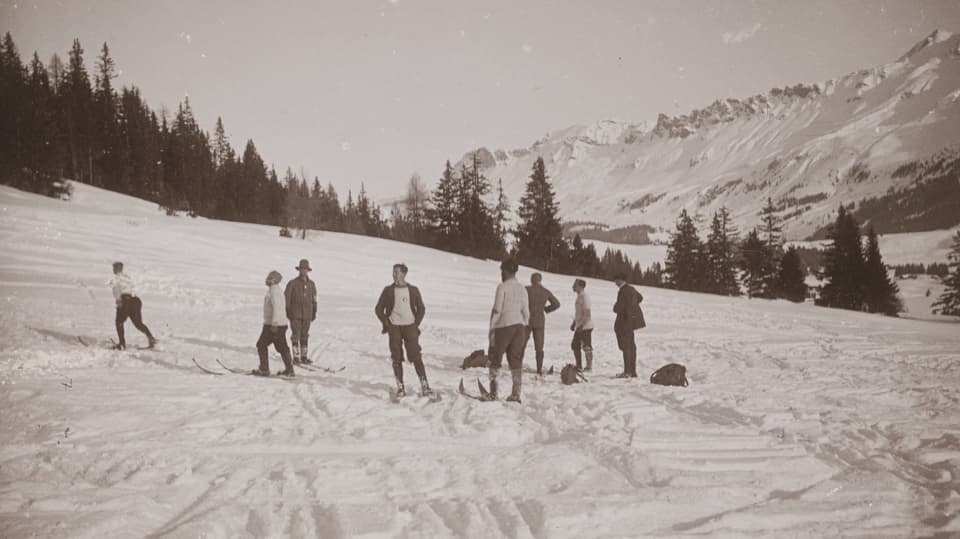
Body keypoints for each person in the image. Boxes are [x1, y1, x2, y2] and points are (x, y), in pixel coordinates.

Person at [374, 263, 432, 397]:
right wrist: (386, 322)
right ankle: (400, 388)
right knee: (396, 357)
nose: (394, 275)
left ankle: (425, 385)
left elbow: (421, 308)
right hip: (394, 327)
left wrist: (415, 324)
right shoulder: (388, 290)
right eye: (393, 272)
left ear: (404, 274)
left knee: (416, 356)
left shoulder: (413, 290)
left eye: (396, 272)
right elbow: (378, 309)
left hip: (410, 327)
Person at [488, 259, 530, 402]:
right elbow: (526, 312)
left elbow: (497, 309)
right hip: (519, 327)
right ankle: (516, 393)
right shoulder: (522, 288)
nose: (501, 273)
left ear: (505, 271)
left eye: (502, 271)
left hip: (504, 326)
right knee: (516, 360)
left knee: (496, 358)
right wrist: (523, 325)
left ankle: (493, 392)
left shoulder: (502, 287)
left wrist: (492, 329)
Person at [254, 270, 295, 377]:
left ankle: (264, 369)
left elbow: (277, 307)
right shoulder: (276, 290)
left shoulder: (274, 291)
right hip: (279, 324)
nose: (267, 279)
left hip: (273, 325)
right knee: (281, 346)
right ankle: (289, 370)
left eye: (269, 277)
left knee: (261, 345)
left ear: (273, 280)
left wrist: (275, 323)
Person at [109, 261, 157, 350]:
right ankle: (151, 338)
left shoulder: (116, 279)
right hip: (135, 301)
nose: (113, 270)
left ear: (116, 269)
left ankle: (122, 344)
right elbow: (135, 289)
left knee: (119, 322)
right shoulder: (128, 278)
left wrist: (119, 301)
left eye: (114, 268)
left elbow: (116, 291)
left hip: (125, 300)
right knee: (138, 323)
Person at [525, 272, 560, 375]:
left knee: (522, 344)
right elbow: (556, 304)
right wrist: (545, 309)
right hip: (540, 321)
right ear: (540, 280)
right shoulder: (545, 292)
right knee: (539, 347)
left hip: (527, 320)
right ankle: (539, 369)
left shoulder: (526, 290)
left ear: (532, 280)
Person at [285, 258, 317, 365]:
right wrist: (288, 311)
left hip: (307, 314)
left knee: (304, 335)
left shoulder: (312, 284)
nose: (304, 271)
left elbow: (314, 299)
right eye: (302, 269)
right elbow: (287, 298)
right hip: (295, 314)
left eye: (306, 269)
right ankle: (296, 357)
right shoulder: (292, 283)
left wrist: (314, 311)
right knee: (295, 335)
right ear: (299, 270)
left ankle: (304, 356)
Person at [612, 272, 645, 378]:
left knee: (626, 347)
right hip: (631, 323)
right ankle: (632, 371)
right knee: (631, 346)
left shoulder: (623, 291)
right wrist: (632, 307)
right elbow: (640, 298)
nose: (615, 282)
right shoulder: (631, 289)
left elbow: (619, 308)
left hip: (624, 322)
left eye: (616, 279)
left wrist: (616, 308)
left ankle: (627, 372)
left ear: (621, 280)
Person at [570, 278, 594, 372]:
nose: (573, 286)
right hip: (580, 326)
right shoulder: (579, 296)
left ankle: (588, 367)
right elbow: (579, 313)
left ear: (580, 286)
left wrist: (581, 326)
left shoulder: (585, 297)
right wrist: (574, 323)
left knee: (586, 346)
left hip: (586, 326)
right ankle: (579, 366)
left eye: (575, 285)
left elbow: (587, 314)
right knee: (575, 345)